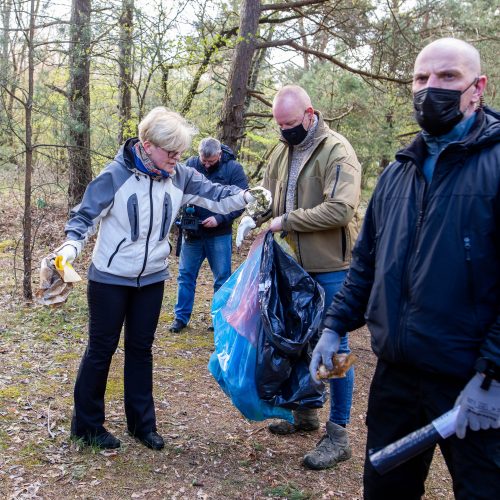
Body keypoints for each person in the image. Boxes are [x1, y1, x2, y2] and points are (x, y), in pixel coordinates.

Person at [309, 38, 500, 498]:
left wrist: (492, 375)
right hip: (397, 376)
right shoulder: (399, 172)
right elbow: (366, 267)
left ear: (478, 87)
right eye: (420, 78)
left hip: (472, 383)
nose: (430, 88)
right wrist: (333, 327)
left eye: (447, 77)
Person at [47, 107, 264, 451]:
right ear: (147, 145)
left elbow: (216, 196)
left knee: (141, 349)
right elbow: (84, 216)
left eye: (180, 153)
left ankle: (142, 426)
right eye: (171, 152)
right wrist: (71, 246)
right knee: (101, 350)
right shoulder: (115, 175)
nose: (178, 159)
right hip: (110, 278)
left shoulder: (180, 176)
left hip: (152, 278)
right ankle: (86, 425)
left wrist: (248, 197)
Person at [237, 85, 362, 470]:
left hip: (331, 266)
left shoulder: (337, 151)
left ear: (310, 114)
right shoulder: (282, 149)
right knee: (301, 340)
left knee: (334, 345)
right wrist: (253, 214)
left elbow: (340, 209)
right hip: (294, 264)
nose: (284, 130)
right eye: (279, 124)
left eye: (290, 124)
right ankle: (306, 413)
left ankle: (338, 432)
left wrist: (285, 221)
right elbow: (270, 195)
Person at [169, 138, 248, 333]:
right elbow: (179, 192)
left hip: (219, 234)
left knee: (222, 278)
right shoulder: (191, 165)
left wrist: (219, 219)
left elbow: (242, 201)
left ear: (219, 154)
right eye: (204, 161)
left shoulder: (233, 169)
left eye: (210, 162)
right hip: (192, 233)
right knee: (185, 276)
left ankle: (219, 320)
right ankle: (181, 317)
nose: (206, 165)